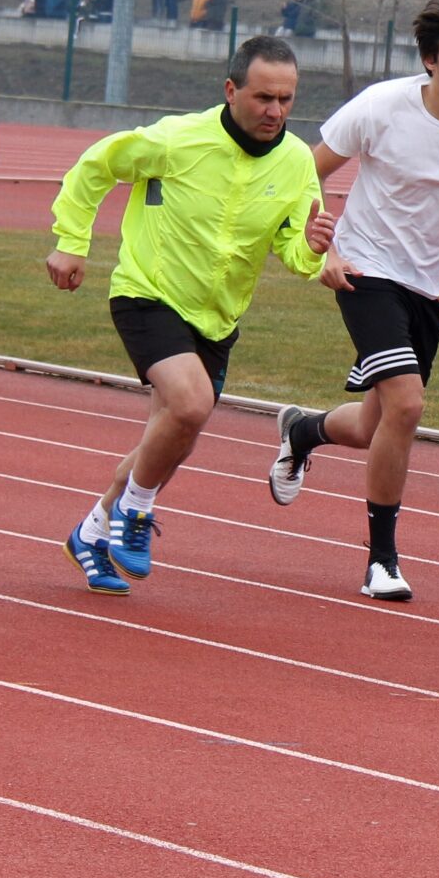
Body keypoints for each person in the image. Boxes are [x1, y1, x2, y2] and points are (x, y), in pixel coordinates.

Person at [267, 0, 439, 600]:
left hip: (435, 283)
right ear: (430, 62)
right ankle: (381, 560)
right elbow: (304, 173)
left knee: (377, 424)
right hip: (365, 267)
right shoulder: (381, 106)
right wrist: (324, 250)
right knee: (408, 406)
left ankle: (304, 432)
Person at [44, 35, 324, 595]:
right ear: (231, 90)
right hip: (147, 292)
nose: (275, 111)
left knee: (173, 435)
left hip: (216, 317)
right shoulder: (176, 139)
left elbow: (294, 252)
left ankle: (93, 530)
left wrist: (314, 247)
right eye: (264, 97)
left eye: (286, 100)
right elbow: (95, 167)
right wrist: (72, 241)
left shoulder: (297, 163)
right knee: (190, 403)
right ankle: (136, 514)